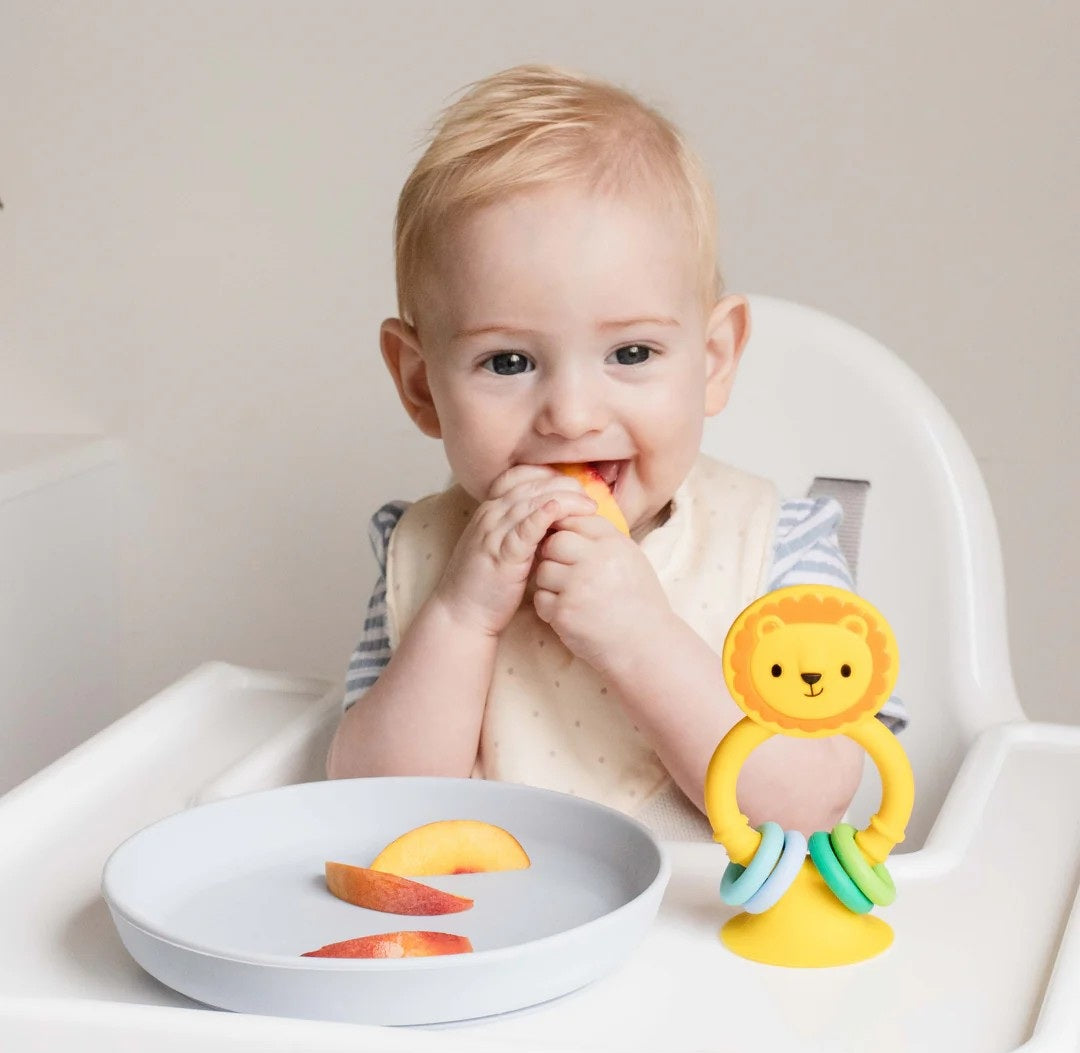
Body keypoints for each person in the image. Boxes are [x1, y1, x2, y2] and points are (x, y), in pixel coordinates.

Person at [326, 64, 907, 839]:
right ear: (422, 385)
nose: (570, 416)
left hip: (716, 942)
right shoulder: (422, 551)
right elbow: (372, 808)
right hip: (495, 931)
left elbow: (813, 803)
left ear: (714, 359)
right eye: (508, 362)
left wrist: (640, 637)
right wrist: (462, 618)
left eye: (630, 353)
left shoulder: (779, 545)